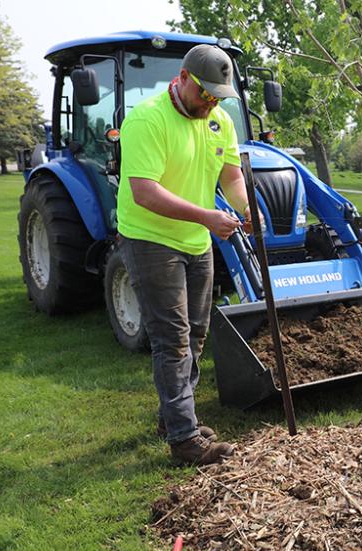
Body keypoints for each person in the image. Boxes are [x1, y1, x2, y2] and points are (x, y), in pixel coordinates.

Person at [117, 44, 251, 464]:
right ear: (183, 77)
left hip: (196, 241)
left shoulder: (219, 121)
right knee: (172, 341)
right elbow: (144, 193)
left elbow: (231, 177)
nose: (211, 101)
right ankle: (184, 440)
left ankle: (173, 417)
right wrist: (208, 217)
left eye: (218, 95)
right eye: (205, 92)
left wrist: (248, 209)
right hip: (151, 239)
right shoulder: (147, 118)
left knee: (194, 335)